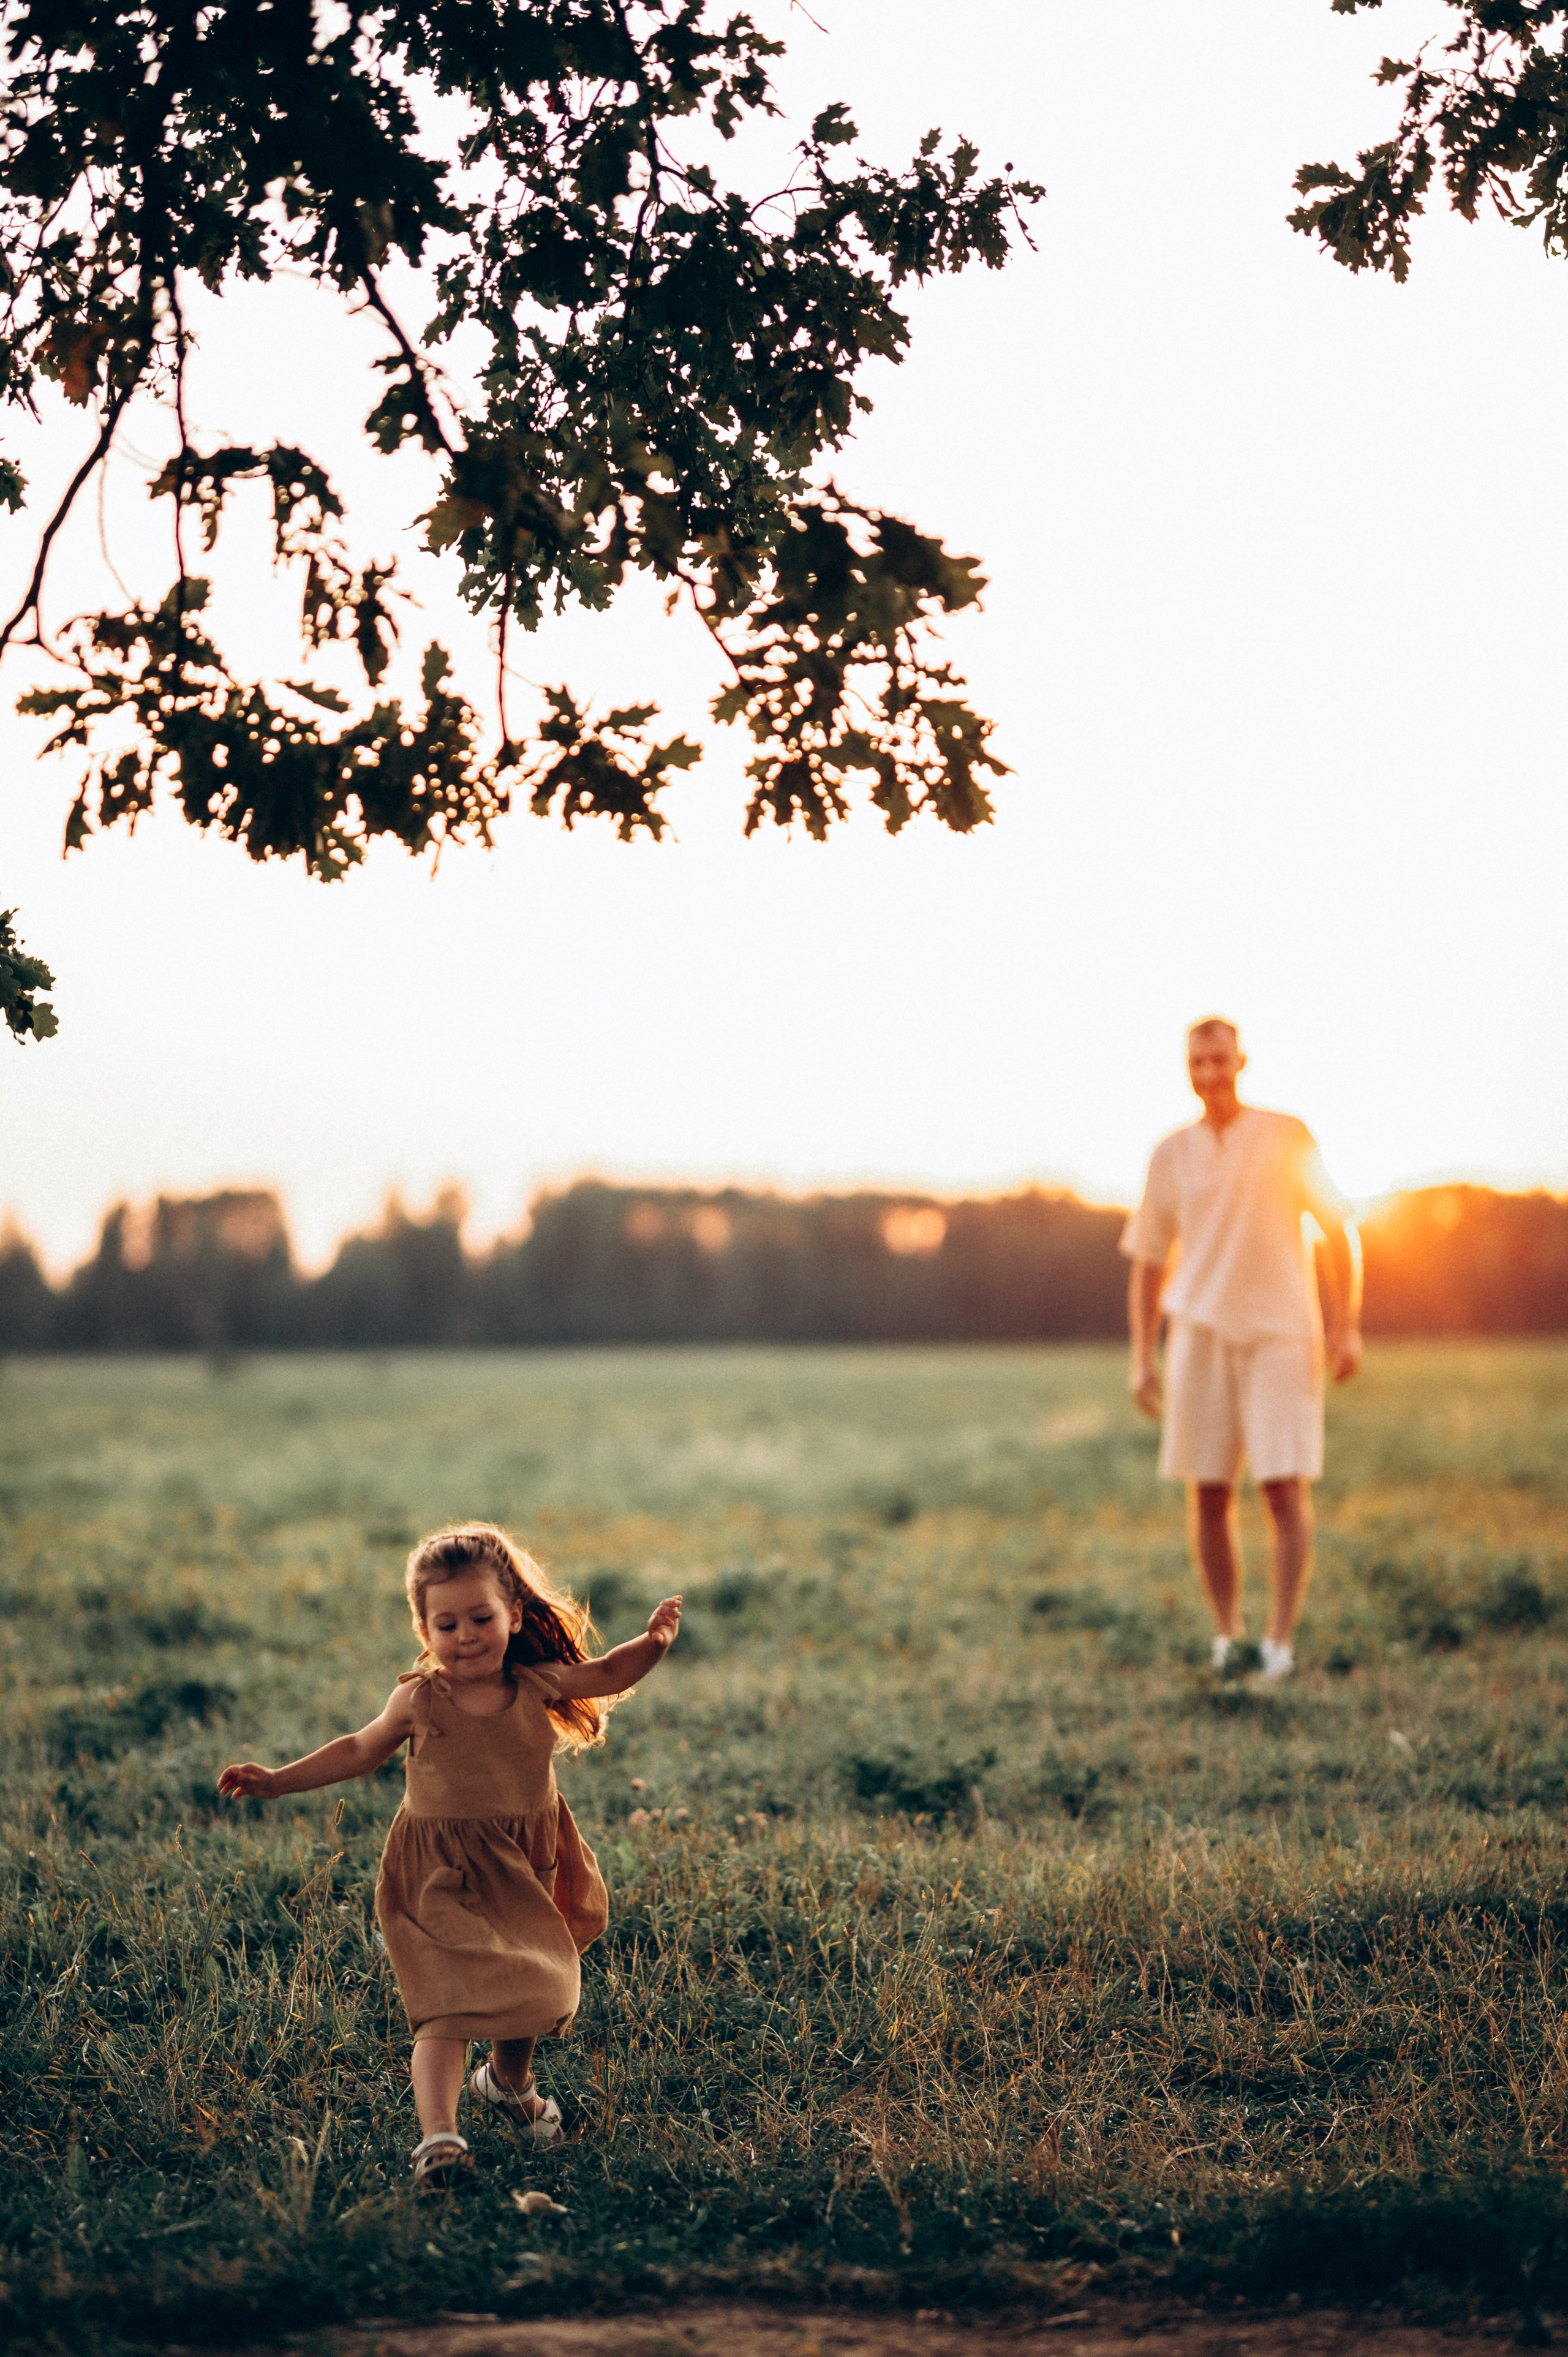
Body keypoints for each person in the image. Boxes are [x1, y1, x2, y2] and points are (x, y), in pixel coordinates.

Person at [219, 1523, 680, 2186]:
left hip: (522, 1862)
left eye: (480, 1617)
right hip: (439, 1870)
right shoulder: (419, 1698)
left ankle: (507, 2083)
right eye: (446, 1623)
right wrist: (277, 1779)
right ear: (423, 1629)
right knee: (446, 2004)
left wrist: (655, 1642)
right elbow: (358, 1747)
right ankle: (440, 2136)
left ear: (513, 1614)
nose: (465, 1634)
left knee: (532, 1983)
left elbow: (607, 1672)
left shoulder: (535, 1684)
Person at [1123, 1019, 1361, 1681]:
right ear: (1186, 1067)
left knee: (1282, 1487)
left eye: (1219, 1060)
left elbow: (1338, 1230)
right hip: (1197, 1332)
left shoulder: (1287, 1135)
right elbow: (1147, 1261)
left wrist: (1347, 1324)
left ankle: (1279, 1643)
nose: (1208, 1073)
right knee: (1208, 1491)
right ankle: (1229, 1639)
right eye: (1196, 1062)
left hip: (1282, 1329)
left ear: (1241, 1061)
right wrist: (1143, 1355)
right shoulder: (1169, 1153)